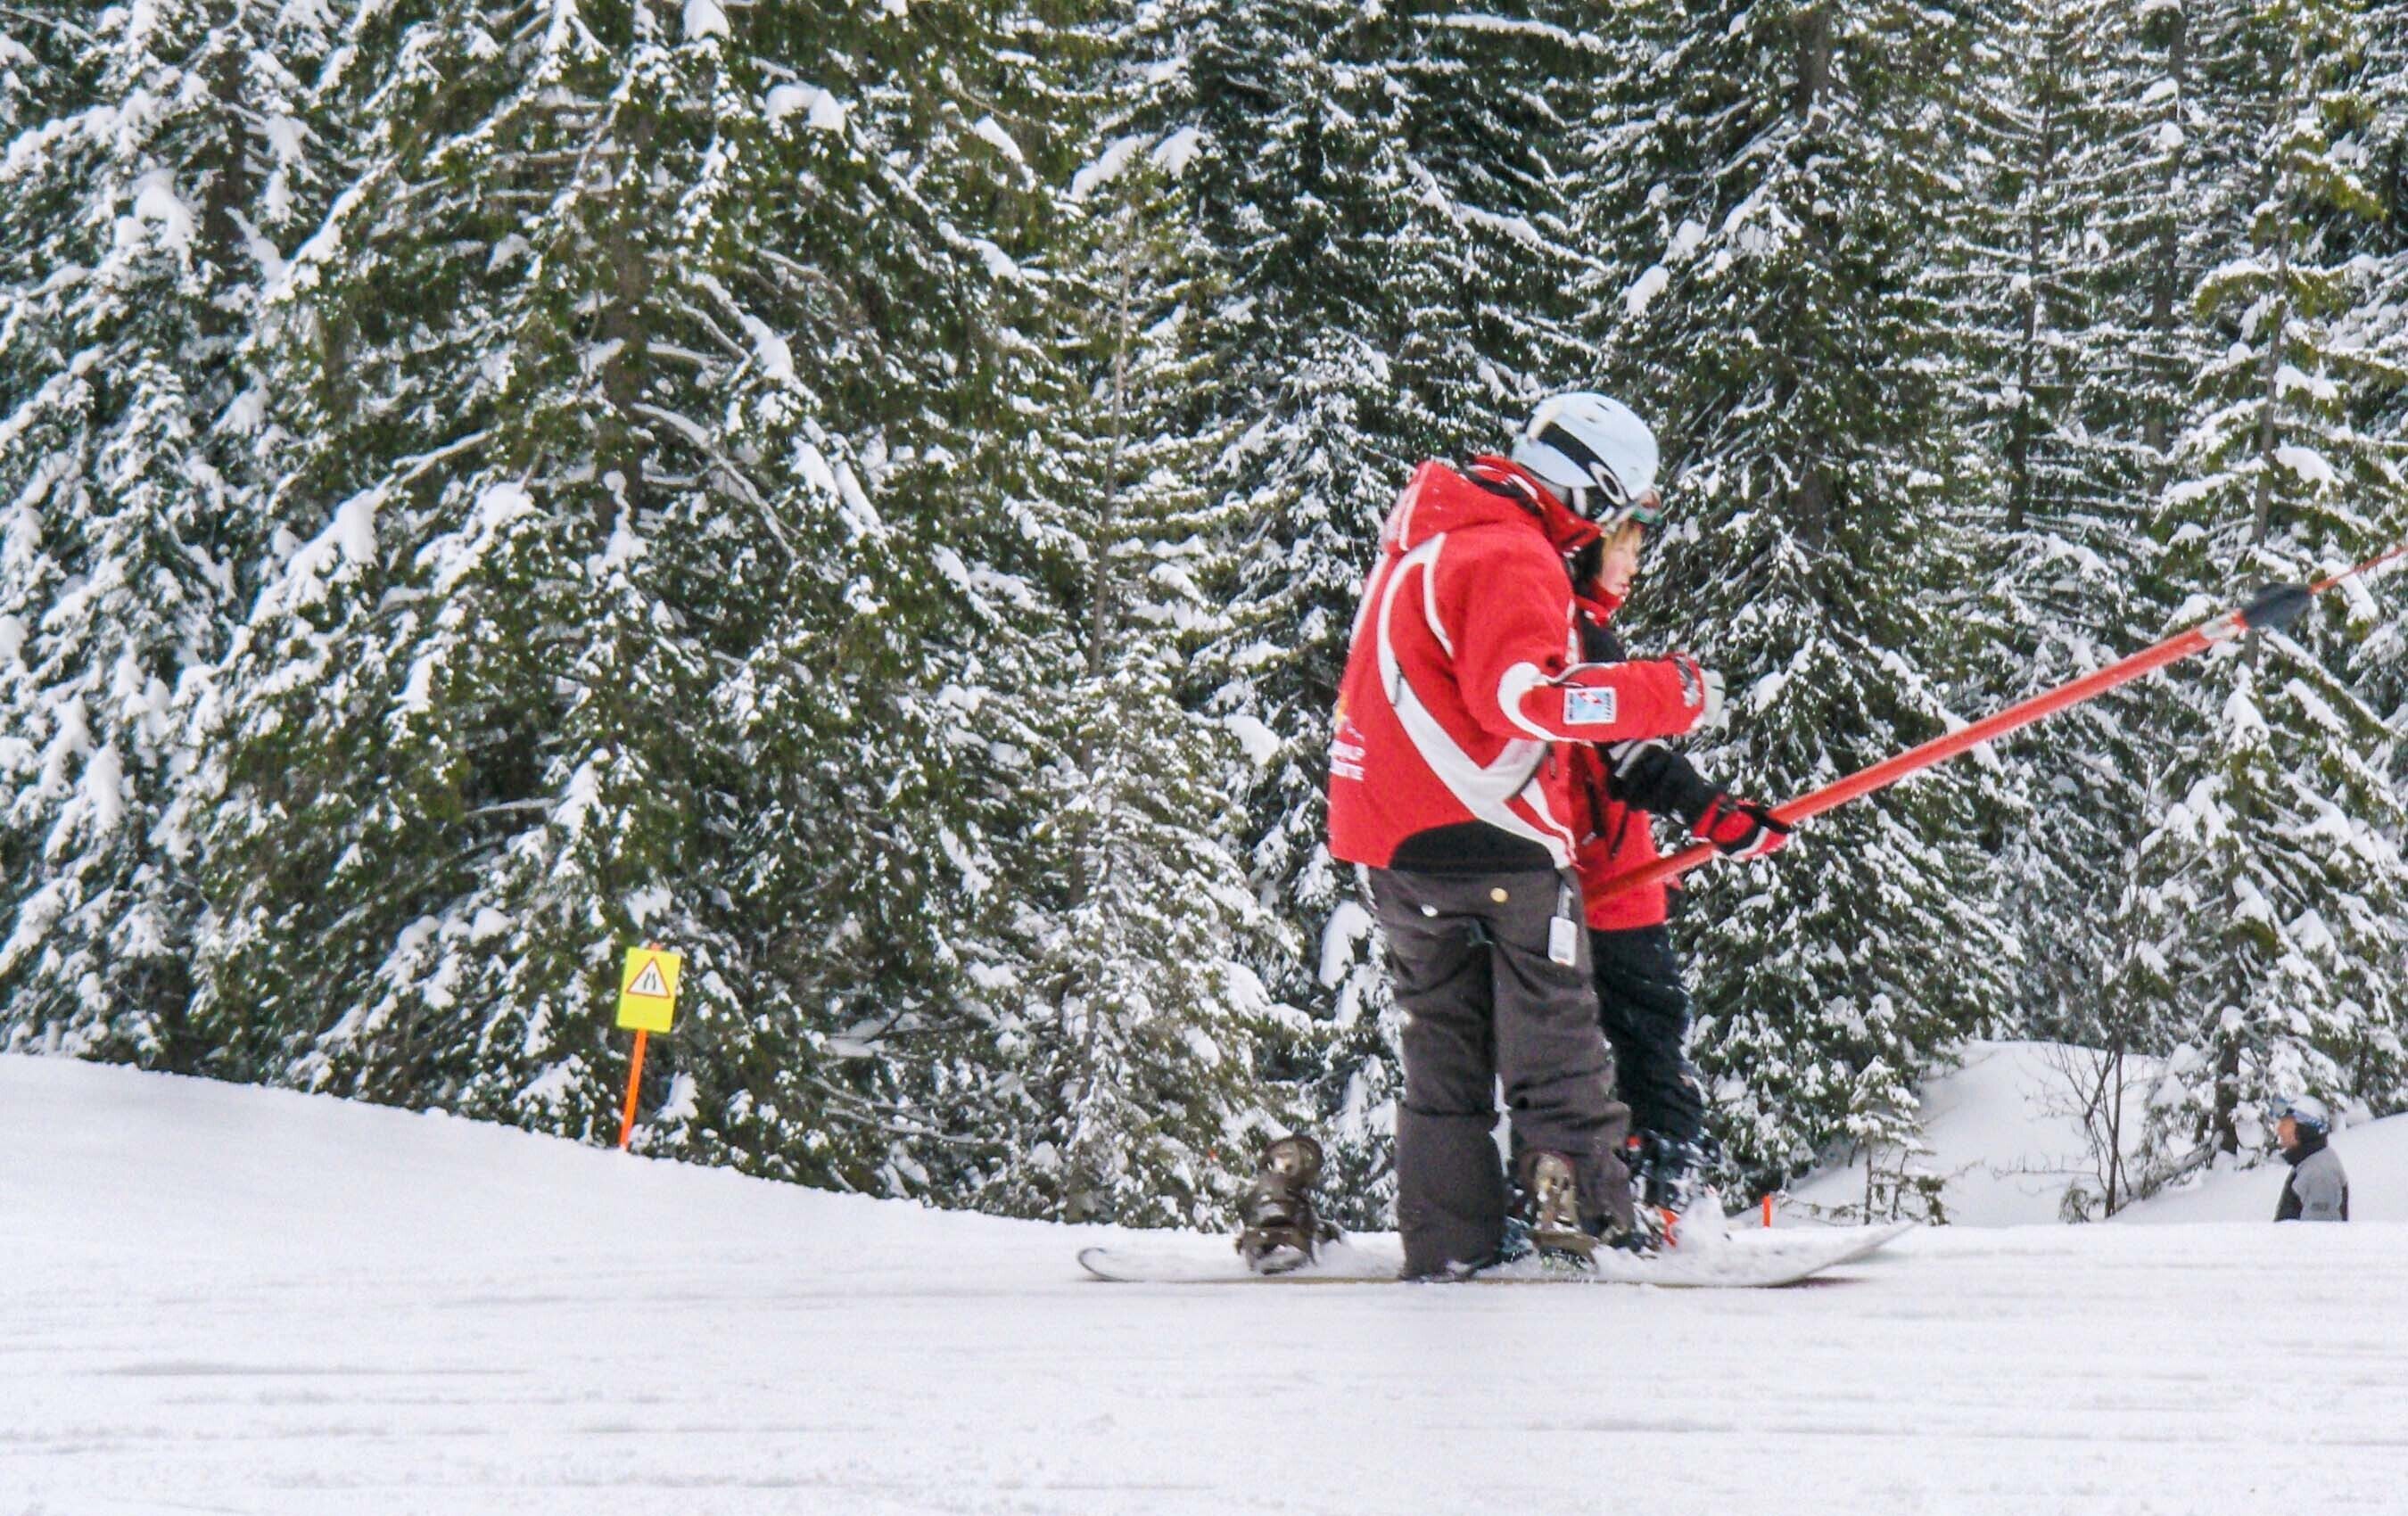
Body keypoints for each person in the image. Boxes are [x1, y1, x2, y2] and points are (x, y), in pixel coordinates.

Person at [1323, 391, 1724, 1278]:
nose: (1618, 533)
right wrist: (1672, 690)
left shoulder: (1425, 542)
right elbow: (1529, 698)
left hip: (1391, 844)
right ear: (1589, 489)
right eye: (1626, 510)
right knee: (1556, 1046)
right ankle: (1579, 1221)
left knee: (1443, 1056)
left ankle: (1451, 1244)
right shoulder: (1514, 553)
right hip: (1497, 833)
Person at [1563, 510, 1791, 1231]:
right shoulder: (1574, 632)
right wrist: (1714, 814)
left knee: (1609, 1043)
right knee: (1647, 1038)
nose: (1631, 567)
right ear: (1584, 551)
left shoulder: (1574, 624)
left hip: (1610, 871)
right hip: (1601, 882)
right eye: (1621, 551)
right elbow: (1627, 757)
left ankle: (1639, 1195)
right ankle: (1663, 1200)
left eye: (1634, 552)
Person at [2272, 1095, 2349, 1222]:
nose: (2279, 1129)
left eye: (2285, 1124)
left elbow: (2318, 1236)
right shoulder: (2308, 1164)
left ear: (2305, 1129)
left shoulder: (2319, 1174)